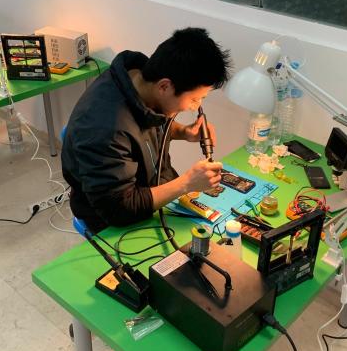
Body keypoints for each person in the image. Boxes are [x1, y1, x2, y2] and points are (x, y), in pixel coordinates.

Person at [62, 27, 231, 235]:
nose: (195, 107)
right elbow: (119, 209)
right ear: (164, 87)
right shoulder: (105, 127)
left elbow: (144, 127)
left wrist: (183, 132)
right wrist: (186, 183)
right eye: (195, 99)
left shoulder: (140, 80)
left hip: (153, 190)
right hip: (114, 220)